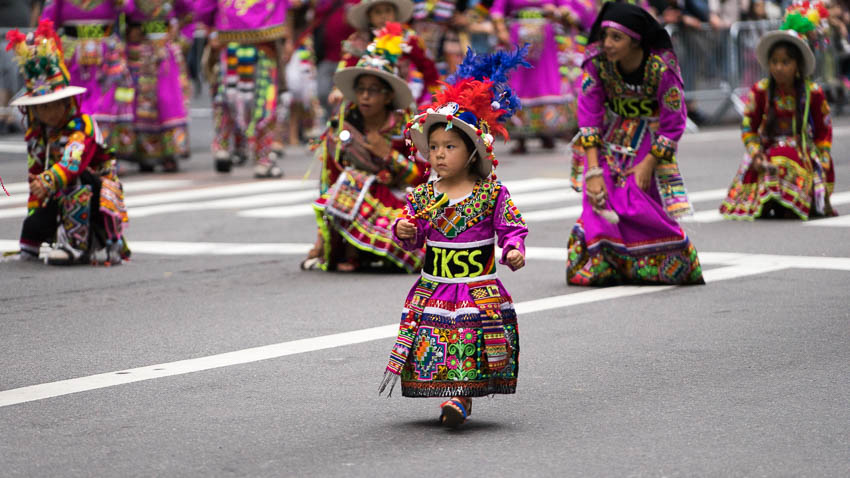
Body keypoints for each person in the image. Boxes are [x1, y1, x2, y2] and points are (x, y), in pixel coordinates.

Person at [378, 47, 529, 429]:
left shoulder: (492, 193)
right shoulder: (422, 195)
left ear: (472, 151)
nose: (440, 155)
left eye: (450, 147)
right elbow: (409, 235)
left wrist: (513, 249)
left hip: (477, 289)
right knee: (435, 343)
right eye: (434, 148)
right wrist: (404, 230)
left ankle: (460, 397)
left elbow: (511, 227)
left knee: (466, 343)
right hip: (434, 288)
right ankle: (448, 391)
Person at [566, 2, 704, 286]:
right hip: (609, 135)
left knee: (635, 197)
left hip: (651, 140)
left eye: (616, 38)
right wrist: (592, 172)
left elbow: (674, 122)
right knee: (599, 194)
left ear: (636, 40)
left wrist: (648, 163)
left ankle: (665, 259)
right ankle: (603, 263)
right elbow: (589, 115)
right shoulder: (597, 63)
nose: (607, 44)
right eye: (605, 36)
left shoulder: (661, 68)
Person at [303, 25, 429, 272]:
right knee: (350, 181)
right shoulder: (342, 128)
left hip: (399, 203)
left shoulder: (407, 129)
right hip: (355, 206)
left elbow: (423, 178)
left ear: (388, 96)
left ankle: (387, 250)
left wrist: (388, 155)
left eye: (373, 91)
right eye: (361, 90)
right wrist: (321, 240)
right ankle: (351, 252)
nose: (365, 97)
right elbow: (329, 183)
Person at [4, 20, 128, 265]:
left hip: (94, 197)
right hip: (57, 192)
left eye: (53, 105)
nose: (48, 113)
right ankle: (30, 245)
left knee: (75, 182)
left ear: (66, 104)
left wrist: (46, 181)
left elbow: (73, 164)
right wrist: (37, 200)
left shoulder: (82, 127)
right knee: (42, 202)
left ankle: (77, 244)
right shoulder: (38, 136)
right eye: (41, 108)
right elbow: (37, 171)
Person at [719, 6, 836, 220]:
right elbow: (748, 127)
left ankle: (794, 200)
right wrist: (755, 154)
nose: (779, 68)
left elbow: (823, 130)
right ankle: (774, 198)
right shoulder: (760, 91)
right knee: (774, 160)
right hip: (766, 151)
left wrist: (823, 158)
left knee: (785, 159)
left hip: (802, 151)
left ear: (798, 65)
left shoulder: (813, 93)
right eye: (774, 62)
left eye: (785, 62)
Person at [196, 0, 291, 178]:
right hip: (263, 46)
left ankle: (222, 147)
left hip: (230, 43)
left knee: (226, 97)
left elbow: (202, 8)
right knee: (264, 101)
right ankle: (262, 160)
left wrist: (211, 29)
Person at [40, 0, 136, 163]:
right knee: (74, 105)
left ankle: (106, 157)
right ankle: (75, 156)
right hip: (72, 58)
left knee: (108, 106)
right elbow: (47, 23)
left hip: (107, 58)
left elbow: (130, 8)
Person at [491, 0, 576, 153]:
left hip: (547, 41)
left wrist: (557, 12)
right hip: (517, 39)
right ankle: (520, 137)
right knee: (519, 84)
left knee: (546, 83)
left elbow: (566, 8)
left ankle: (547, 133)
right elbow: (497, 11)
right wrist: (501, 30)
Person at [125, 1, 194, 173]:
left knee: (168, 101)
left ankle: (170, 153)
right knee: (142, 103)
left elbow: (190, 10)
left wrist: (181, 37)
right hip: (139, 52)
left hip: (165, 53)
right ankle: (146, 153)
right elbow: (124, 10)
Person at [333, 0, 439, 107]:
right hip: (368, 93)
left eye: (388, 11)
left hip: (403, 92)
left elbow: (426, 64)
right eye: (378, 12)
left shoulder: (408, 38)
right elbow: (348, 64)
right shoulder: (359, 40)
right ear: (369, 16)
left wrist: (434, 88)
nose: (383, 16)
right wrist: (338, 89)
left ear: (395, 13)